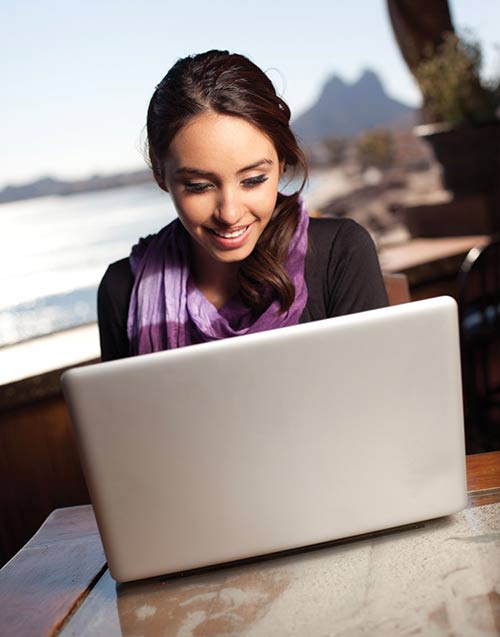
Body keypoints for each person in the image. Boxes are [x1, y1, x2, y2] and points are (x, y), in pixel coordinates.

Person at [97, 50, 388, 361]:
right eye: (199, 186)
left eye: (252, 180)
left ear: (281, 162)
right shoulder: (122, 290)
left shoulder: (340, 253)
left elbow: (377, 396)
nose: (230, 213)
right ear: (160, 174)